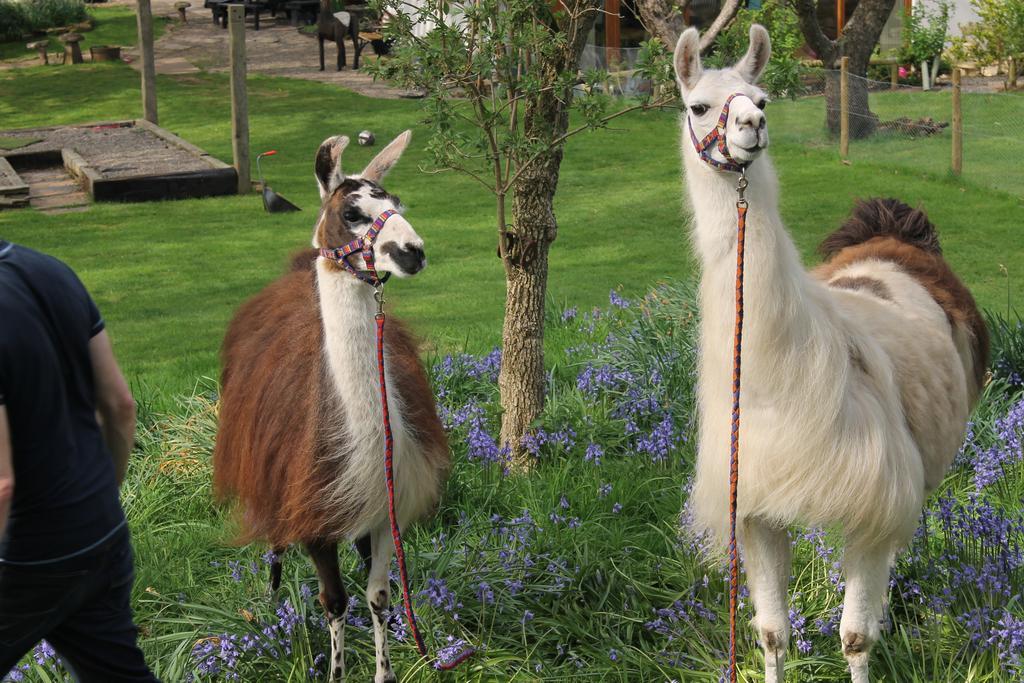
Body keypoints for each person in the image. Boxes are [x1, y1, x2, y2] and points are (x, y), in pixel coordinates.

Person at [0, 239, 158, 682]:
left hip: (26, 561)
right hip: (101, 533)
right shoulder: (51, 270)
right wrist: (102, 498)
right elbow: (120, 405)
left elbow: (1, 485)